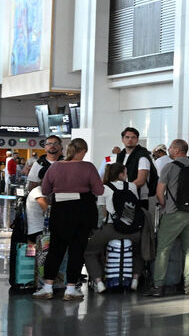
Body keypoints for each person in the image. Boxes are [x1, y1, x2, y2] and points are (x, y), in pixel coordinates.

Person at [32, 138, 104, 301]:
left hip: (61, 211)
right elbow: (99, 191)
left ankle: (47, 287)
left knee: (56, 249)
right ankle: (70, 289)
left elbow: (45, 189)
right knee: (77, 250)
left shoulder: (55, 167)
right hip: (83, 211)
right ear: (83, 151)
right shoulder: (88, 167)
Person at [146, 139, 189, 296]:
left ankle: (158, 286)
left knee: (163, 249)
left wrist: (165, 206)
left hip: (173, 213)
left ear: (177, 150)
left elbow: (159, 192)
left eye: (170, 147)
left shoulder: (169, 167)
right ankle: (188, 285)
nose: (169, 150)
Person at [83, 162, 146, 293]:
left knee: (90, 252)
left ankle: (99, 282)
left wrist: (99, 228)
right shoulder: (132, 186)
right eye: (125, 173)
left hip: (111, 229)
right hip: (132, 230)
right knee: (139, 251)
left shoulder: (103, 188)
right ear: (121, 174)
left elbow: (102, 212)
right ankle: (135, 279)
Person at [114, 127, 155, 208]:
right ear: (122, 139)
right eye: (127, 137)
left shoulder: (142, 156)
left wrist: (123, 190)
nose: (130, 139)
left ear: (137, 140)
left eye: (133, 137)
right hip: (123, 194)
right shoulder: (121, 155)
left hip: (139, 197)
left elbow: (140, 181)